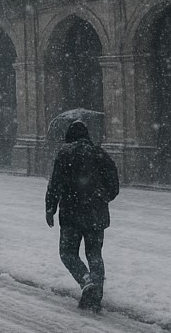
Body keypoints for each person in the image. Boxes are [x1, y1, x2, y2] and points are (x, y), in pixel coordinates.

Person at [46, 120, 119, 313]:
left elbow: (55, 184)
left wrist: (50, 208)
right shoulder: (99, 153)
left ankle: (86, 281)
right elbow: (114, 184)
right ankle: (95, 295)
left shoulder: (65, 153)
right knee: (94, 254)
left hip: (71, 213)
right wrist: (103, 197)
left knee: (67, 253)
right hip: (96, 214)